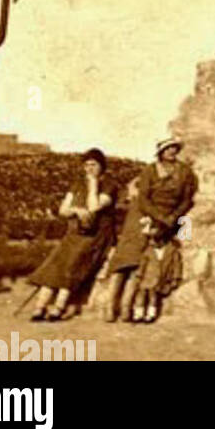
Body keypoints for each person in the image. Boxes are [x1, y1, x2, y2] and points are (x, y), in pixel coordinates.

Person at [26, 148, 118, 321]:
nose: (89, 169)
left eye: (94, 165)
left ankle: (59, 307)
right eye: (86, 165)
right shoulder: (77, 184)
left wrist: (93, 186)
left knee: (73, 263)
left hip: (96, 235)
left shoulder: (109, 186)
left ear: (102, 166)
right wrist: (76, 209)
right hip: (75, 233)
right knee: (56, 262)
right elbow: (63, 210)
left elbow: (94, 207)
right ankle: (40, 307)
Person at [131, 138, 198, 322]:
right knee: (146, 250)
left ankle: (162, 289)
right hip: (152, 213)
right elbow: (143, 199)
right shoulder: (150, 170)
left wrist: (174, 216)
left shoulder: (184, 171)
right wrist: (159, 217)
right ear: (161, 152)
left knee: (173, 249)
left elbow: (187, 198)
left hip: (175, 215)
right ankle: (138, 302)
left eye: (174, 148)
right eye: (167, 148)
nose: (171, 151)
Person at [103, 176, 149, 322]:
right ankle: (111, 308)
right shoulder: (130, 203)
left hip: (140, 241)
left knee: (134, 274)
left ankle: (125, 308)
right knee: (119, 272)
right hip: (126, 241)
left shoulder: (148, 204)